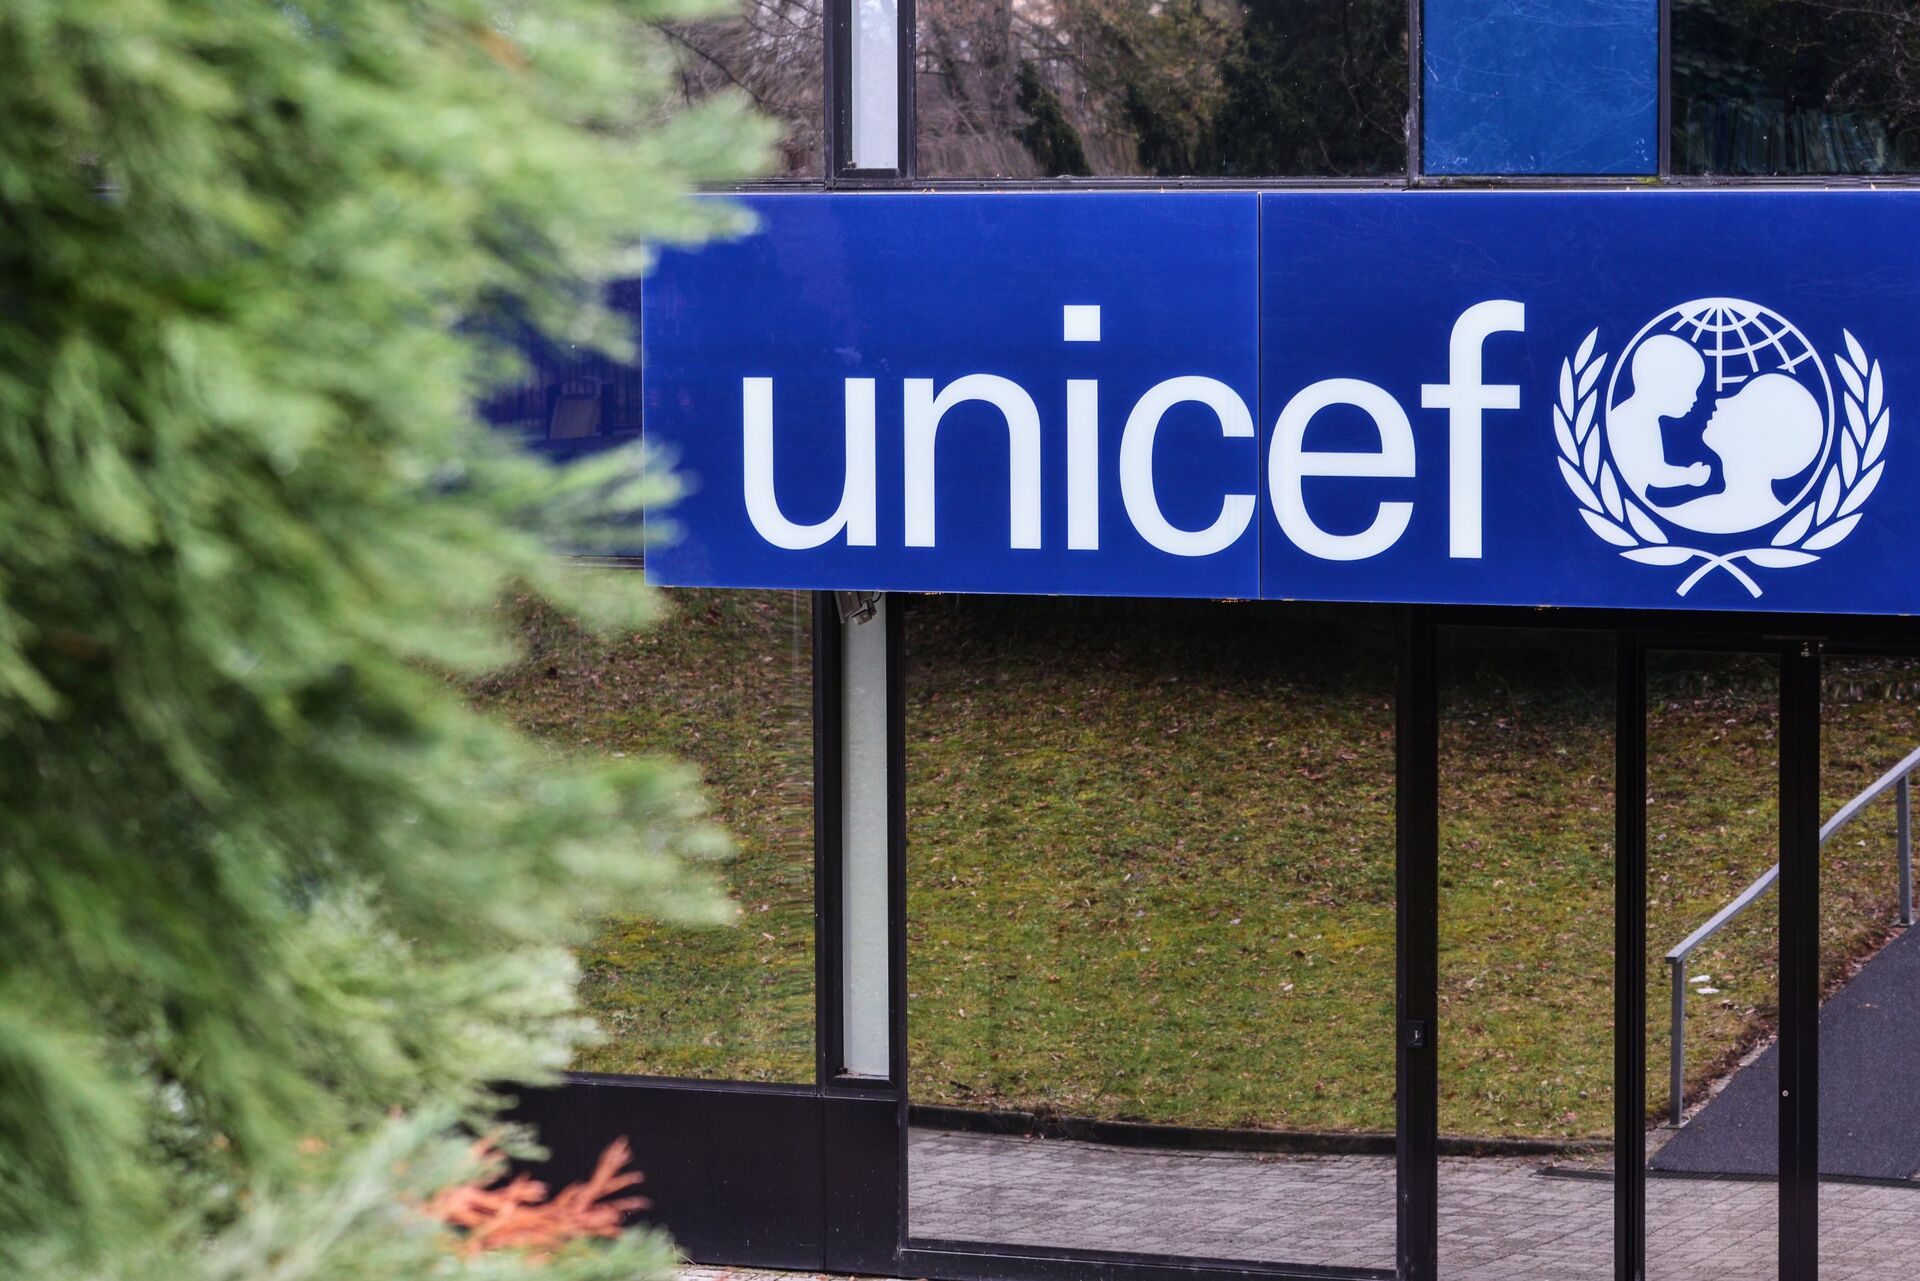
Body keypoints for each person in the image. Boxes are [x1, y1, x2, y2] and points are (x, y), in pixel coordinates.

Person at [1658, 373, 1825, 535]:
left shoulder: (1697, 515)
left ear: (1760, 436)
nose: (1720, 401)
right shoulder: (1693, 513)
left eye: (1738, 398)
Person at [1608, 334, 1713, 503]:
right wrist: (1689, 476)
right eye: (1690, 389)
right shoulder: (1633, 420)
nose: (1695, 398)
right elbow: (1654, 475)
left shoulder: (1639, 416)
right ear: (1662, 385)